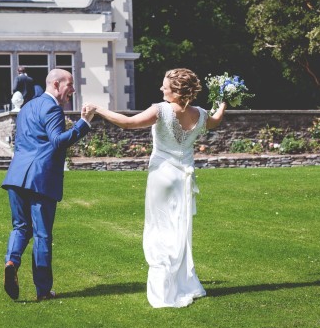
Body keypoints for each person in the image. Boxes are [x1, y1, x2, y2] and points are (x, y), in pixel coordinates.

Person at [85, 68, 227, 308]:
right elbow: (215, 122)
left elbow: (128, 123)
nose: (161, 89)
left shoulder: (160, 110)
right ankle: (182, 283)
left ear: (176, 91)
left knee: (159, 230)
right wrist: (223, 102)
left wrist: (98, 109)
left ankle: (163, 290)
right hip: (184, 178)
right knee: (179, 230)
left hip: (162, 176)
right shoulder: (201, 114)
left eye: (165, 86)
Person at [1, 69, 94, 301]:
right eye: (69, 85)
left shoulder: (26, 107)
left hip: (16, 176)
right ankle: (43, 291)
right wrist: (84, 123)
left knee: (20, 227)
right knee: (42, 234)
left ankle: (11, 261)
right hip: (40, 178)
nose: (73, 90)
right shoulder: (52, 108)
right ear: (55, 84)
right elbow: (57, 142)